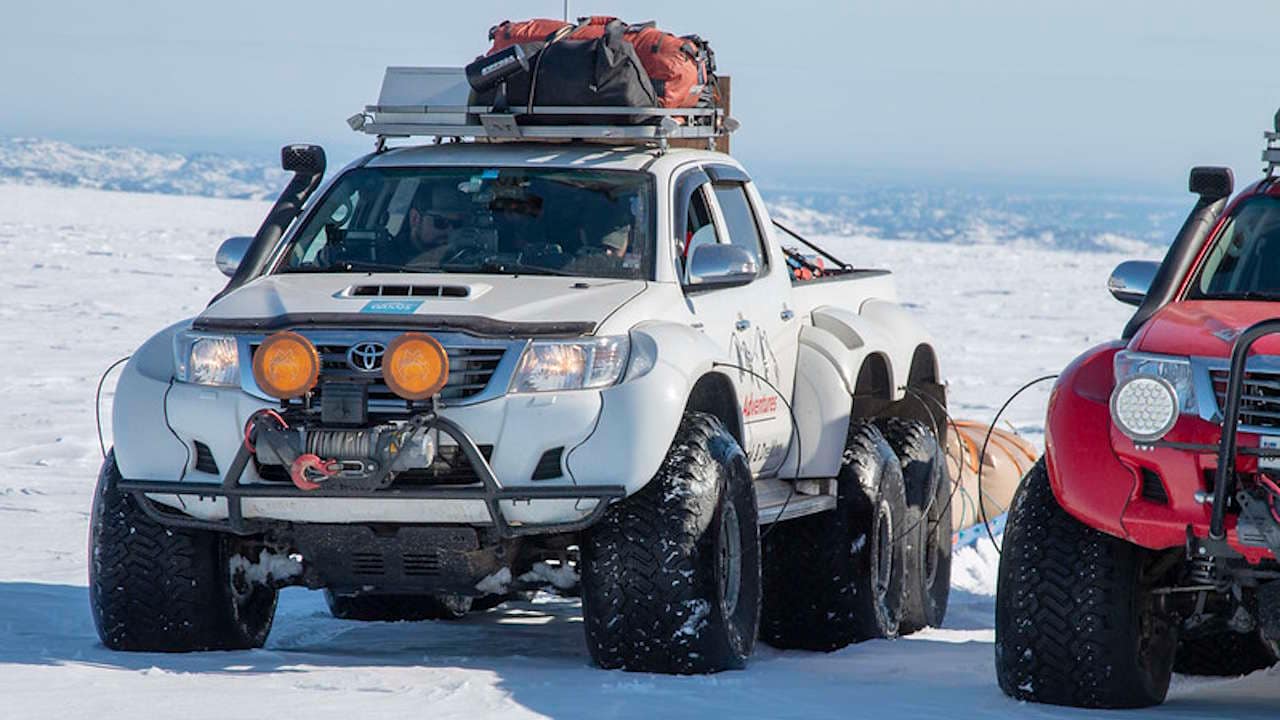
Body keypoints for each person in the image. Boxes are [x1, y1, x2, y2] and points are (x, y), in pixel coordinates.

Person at [390, 183, 471, 266]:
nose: (450, 231)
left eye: (457, 224)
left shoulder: (466, 256)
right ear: (415, 219)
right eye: (441, 222)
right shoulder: (387, 258)